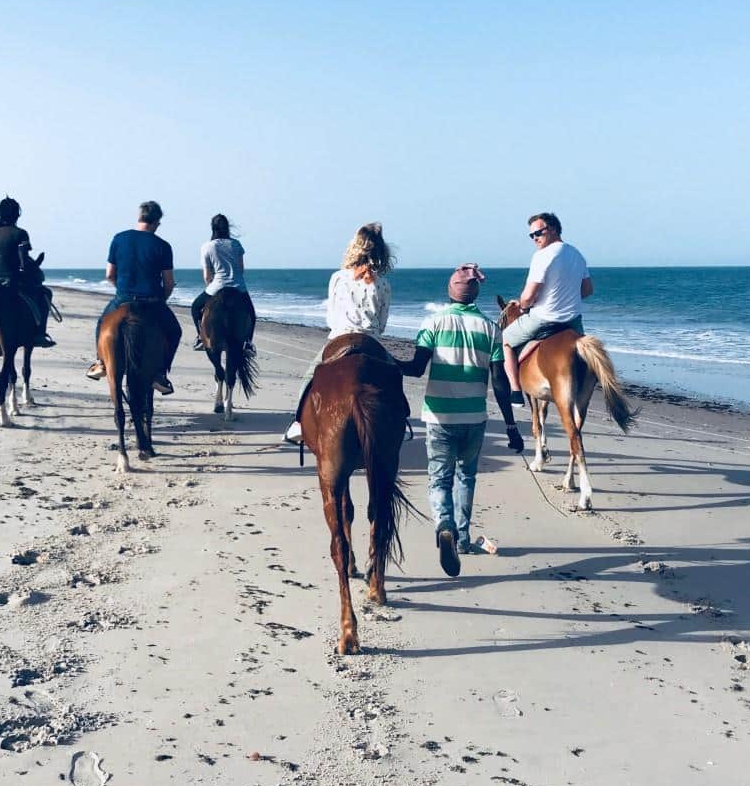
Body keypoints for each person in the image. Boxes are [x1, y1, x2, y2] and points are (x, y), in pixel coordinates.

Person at [398, 265, 523, 575]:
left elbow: (415, 368)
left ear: (449, 291)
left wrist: (384, 362)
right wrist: (511, 426)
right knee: (466, 477)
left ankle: (445, 525)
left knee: (439, 477)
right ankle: (463, 538)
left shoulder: (433, 323)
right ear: (476, 294)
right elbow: (500, 382)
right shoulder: (491, 330)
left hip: (440, 416)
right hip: (474, 416)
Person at [283, 222, 393, 445]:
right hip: (370, 340)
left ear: (355, 248)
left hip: (340, 337)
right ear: (381, 252)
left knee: (309, 377)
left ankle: (299, 424)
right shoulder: (383, 284)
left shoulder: (338, 278)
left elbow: (331, 318)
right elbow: (382, 324)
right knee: (394, 378)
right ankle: (399, 424)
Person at [85, 201, 182, 395]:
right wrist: (161, 300)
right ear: (157, 222)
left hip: (123, 298)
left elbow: (110, 275)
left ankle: (100, 363)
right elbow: (169, 283)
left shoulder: (119, 239)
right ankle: (160, 374)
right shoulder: (162, 245)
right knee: (174, 331)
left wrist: (122, 291)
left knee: (102, 323)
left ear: (139, 218)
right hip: (151, 302)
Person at [501, 211, 592, 395]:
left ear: (552, 229)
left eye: (538, 233)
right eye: (531, 235)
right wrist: (565, 298)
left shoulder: (542, 255)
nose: (534, 238)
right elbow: (587, 290)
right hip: (573, 322)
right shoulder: (577, 254)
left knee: (505, 340)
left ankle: (515, 389)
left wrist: (523, 306)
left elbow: (528, 297)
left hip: (544, 319)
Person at [0, 197, 55, 346]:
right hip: (12, 281)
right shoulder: (20, 234)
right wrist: (36, 264)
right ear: (16, 215)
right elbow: (23, 264)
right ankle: (39, 334)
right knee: (45, 293)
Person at [190, 214, 257, 353]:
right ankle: (248, 343)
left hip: (217, 286)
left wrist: (210, 283)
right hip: (238, 287)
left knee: (195, 307)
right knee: (251, 313)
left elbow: (207, 276)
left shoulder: (207, 247)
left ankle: (200, 337)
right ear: (227, 227)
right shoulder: (236, 244)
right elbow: (241, 269)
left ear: (212, 228)